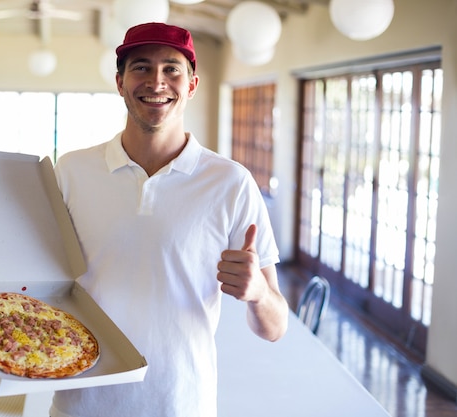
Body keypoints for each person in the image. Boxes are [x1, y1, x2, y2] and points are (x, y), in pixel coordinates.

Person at [50, 22, 289, 417]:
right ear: (120, 82)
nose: (156, 82)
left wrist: (259, 293)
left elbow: (275, 328)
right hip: (80, 400)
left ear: (192, 84)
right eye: (141, 67)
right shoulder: (72, 170)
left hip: (180, 403)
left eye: (172, 69)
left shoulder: (231, 182)